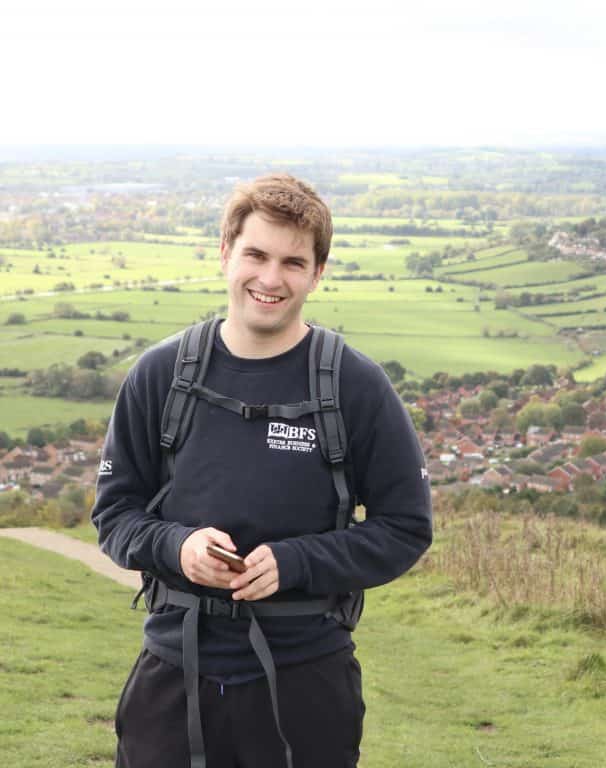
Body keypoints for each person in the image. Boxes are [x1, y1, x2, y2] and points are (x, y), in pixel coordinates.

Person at [92, 173, 433, 768]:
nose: (271, 279)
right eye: (255, 254)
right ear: (225, 253)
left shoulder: (355, 386)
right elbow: (115, 515)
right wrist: (178, 546)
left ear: (317, 272)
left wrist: (297, 562)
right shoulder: (160, 375)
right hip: (174, 673)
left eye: (293, 262)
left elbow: (405, 527)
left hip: (306, 677)